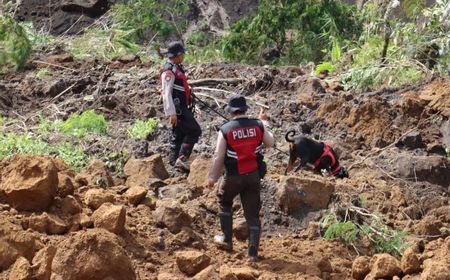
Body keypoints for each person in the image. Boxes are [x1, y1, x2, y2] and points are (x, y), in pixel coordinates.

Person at [208, 95, 274, 262]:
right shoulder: (258, 125)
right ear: (245, 109)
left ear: (231, 112)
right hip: (253, 176)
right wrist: (264, 123)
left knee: (224, 202)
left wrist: (212, 178)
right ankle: (252, 253)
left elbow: (218, 157)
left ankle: (227, 240)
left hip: (233, 176)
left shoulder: (225, 129)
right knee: (252, 214)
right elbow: (270, 143)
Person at [160, 41, 201, 170]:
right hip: (178, 110)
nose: (183, 56)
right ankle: (182, 158)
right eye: (182, 54)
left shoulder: (177, 68)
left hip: (181, 107)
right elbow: (166, 93)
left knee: (179, 135)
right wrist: (171, 112)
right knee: (195, 130)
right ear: (177, 55)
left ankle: (173, 164)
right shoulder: (169, 71)